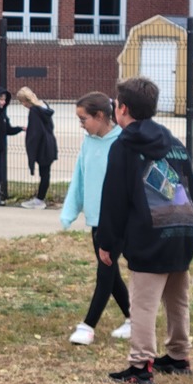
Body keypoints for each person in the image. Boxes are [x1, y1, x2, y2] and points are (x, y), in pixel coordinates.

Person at [97, 77, 193, 384]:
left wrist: (107, 243)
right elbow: (191, 188)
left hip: (149, 235)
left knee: (142, 303)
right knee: (177, 298)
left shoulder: (123, 147)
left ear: (123, 108)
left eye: (116, 103)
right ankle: (179, 356)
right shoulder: (174, 142)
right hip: (182, 230)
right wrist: (191, 227)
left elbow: (114, 199)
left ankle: (140, 366)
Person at [60, 92, 130, 345]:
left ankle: (88, 326)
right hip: (97, 219)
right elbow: (80, 175)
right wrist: (71, 210)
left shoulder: (123, 141)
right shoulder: (88, 141)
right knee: (111, 274)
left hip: (118, 221)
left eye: (83, 118)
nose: (81, 124)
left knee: (105, 272)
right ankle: (133, 318)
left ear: (100, 116)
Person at [15, 87, 57, 210]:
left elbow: (35, 133)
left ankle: (39, 200)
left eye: (21, 102)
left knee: (44, 173)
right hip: (50, 143)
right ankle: (40, 198)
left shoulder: (34, 111)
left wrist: (31, 149)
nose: (22, 105)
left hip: (42, 146)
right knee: (46, 173)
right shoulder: (44, 107)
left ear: (25, 101)